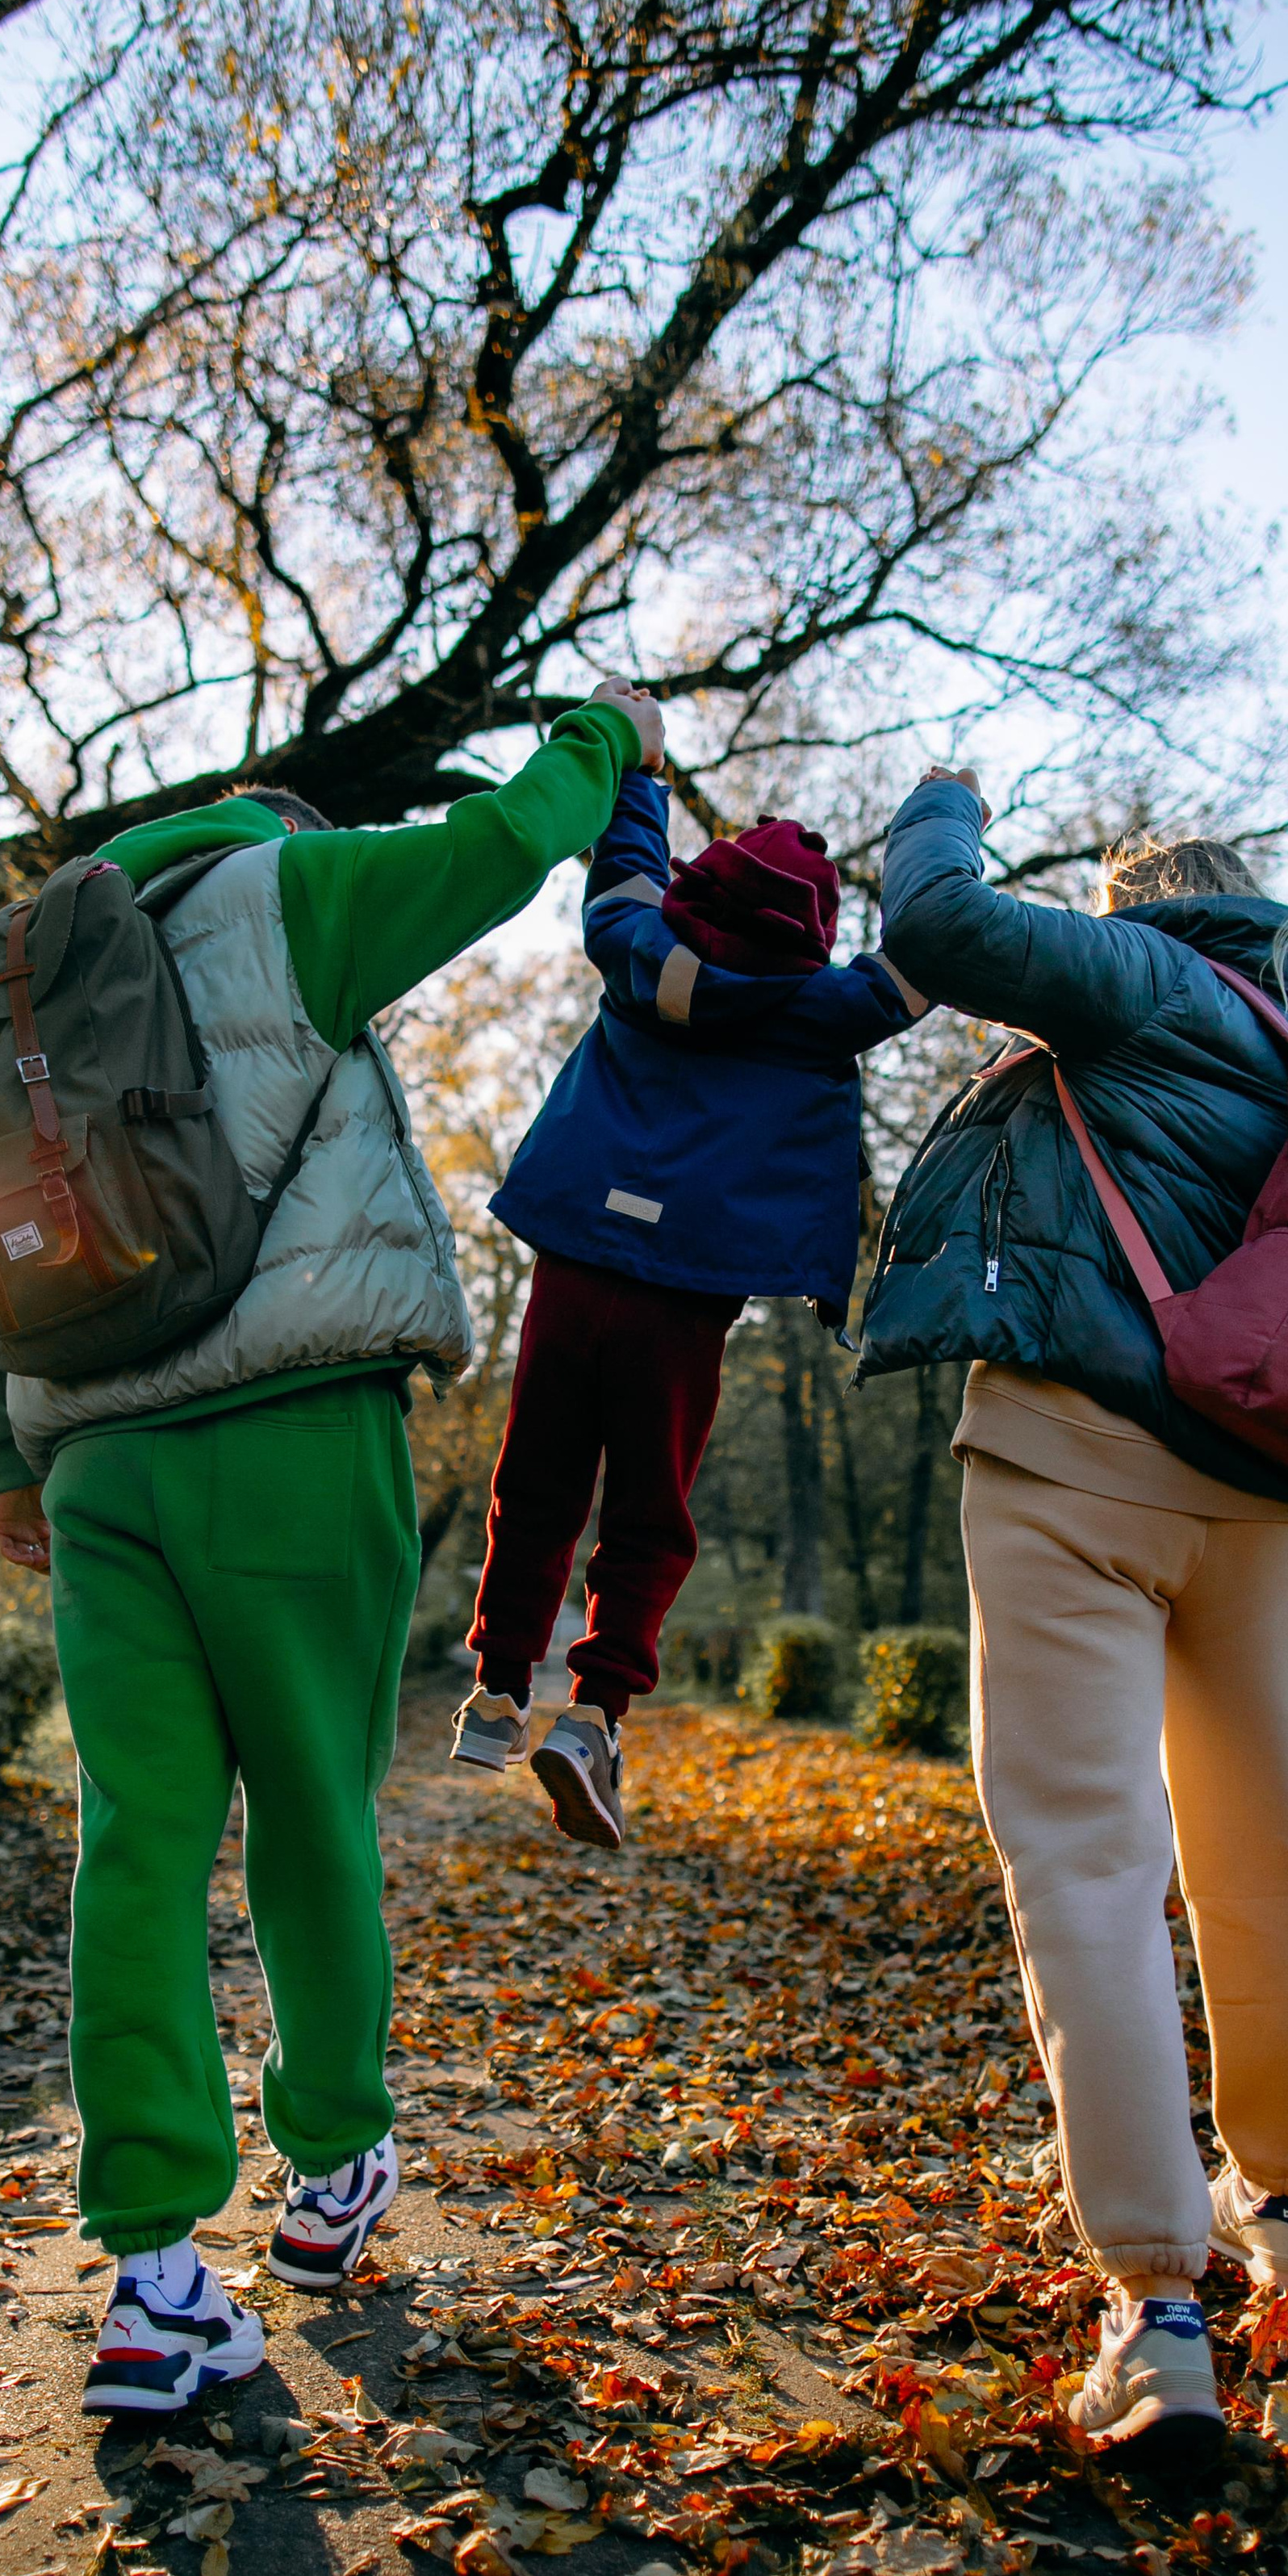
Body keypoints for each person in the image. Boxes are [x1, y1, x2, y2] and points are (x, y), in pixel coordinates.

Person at [0, 681, 659, 2415]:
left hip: (94, 1459)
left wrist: (1, 1459)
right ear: (287, 825)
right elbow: (501, 846)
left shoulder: (13, 971)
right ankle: (332, 2180)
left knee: (138, 1840)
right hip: (289, 1436)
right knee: (312, 1816)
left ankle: (151, 2277)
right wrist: (604, 743)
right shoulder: (292, 893)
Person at [860, 767, 1288, 2470]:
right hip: (1275, 1501)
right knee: (1260, 1852)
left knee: (1083, 1862)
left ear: (1145, 912)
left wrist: (938, 803)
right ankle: (1282, 2211)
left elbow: (931, 921)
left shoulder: (1144, 979)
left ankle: (1154, 2308)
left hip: (1076, 1469)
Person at [451, 767, 925, 1843]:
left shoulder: (637, 958)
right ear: (815, 929)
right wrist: (932, 816)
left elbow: (622, 874)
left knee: (535, 1483)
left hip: (578, 1256)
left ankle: (495, 1696)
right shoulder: (824, 1011)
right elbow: (923, 959)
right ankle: (596, 1715)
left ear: (700, 887)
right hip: (689, 1292)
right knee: (650, 1510)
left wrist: (644, 775)